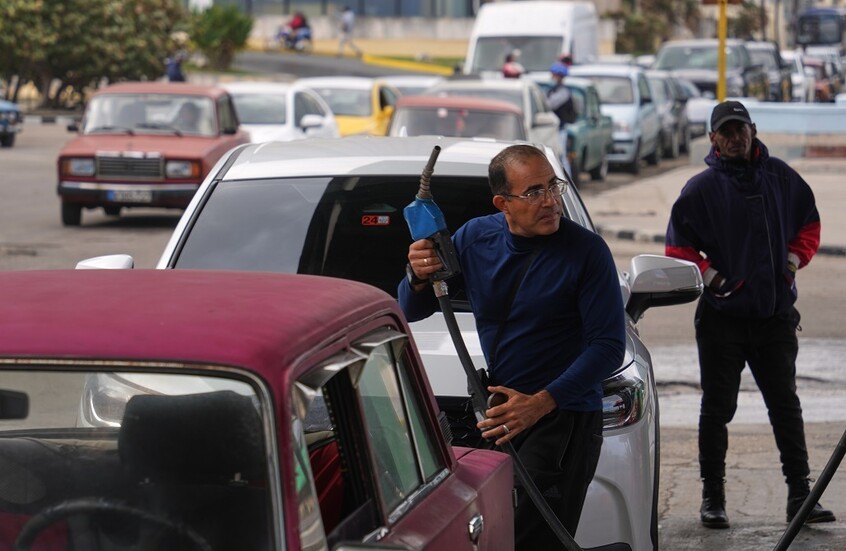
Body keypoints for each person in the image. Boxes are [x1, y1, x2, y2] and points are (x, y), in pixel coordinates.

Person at [398, 144, 625, 548]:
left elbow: (608, 346)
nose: (550, 201)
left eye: (552, 187)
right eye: (534, 192)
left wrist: (541, 403)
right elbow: (412, 309)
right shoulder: (475, 238)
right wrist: (417, 274)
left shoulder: (587, 252)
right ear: (502, 203)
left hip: (562, 418)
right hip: (498, 414)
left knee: (536, 540)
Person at [665, 100, 835, 529]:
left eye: (741, 129)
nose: (735, 137)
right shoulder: (700, 190)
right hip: (722, 320)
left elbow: (809, 224)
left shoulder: (782, 178)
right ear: (713, 139)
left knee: (785, 406)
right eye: (726, 131)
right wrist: (715, 280)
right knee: (717, 409)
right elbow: (678, 247)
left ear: (753, 130)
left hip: (774, 317)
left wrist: (791, 264)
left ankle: (800, 496)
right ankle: (713, 497)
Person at [546, 62, 575, 177]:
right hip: (553, 129)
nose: (552, 77)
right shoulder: (553, 89)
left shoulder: (563, 92)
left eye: (554, 75)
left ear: (559, 76)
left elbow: (550, 105)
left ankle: (567, 182)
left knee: (561, 156)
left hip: (560, 130)